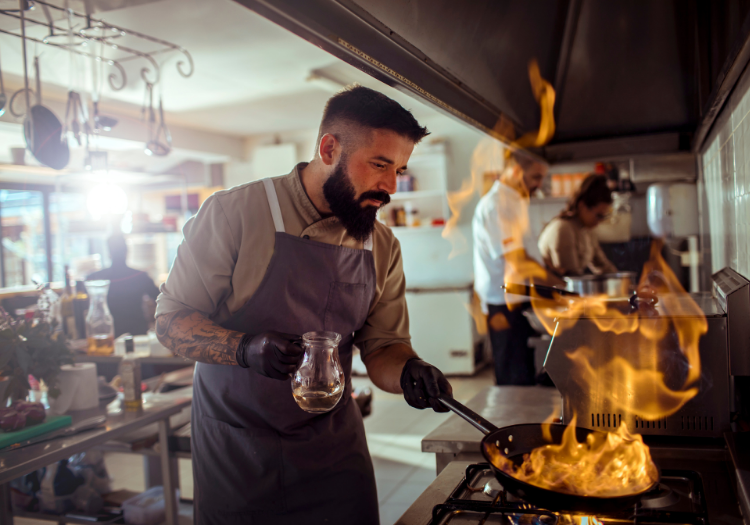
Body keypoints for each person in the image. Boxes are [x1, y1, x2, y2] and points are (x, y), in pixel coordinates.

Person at [154, 86, 453, 525]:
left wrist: (409, 369)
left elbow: (383, 346)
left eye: (400, 170)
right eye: (379, 165)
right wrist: (246, 348)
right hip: (240, 450)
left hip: (333, 451)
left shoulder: (381, 244)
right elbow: (171, 322)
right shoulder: (234, 214)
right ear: (329, 148)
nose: (391, 186)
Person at [473, 152, 562, 386]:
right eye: (535, 177)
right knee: (513, 381)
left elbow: (526, 249)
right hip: (504, 304)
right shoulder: (497, 206)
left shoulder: (515, 200)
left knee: (525, 371)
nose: (538, 184)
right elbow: (517, 261)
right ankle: (511, 423)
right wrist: (558, 284)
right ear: (514, 169)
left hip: (520, 297)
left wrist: (548, 269)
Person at [538, 173, 617, 277]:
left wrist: (622, 282)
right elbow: (570, 277)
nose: (600, 221)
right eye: (598, 215)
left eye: (604, 216)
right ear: (582, 206)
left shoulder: (587, 230)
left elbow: (603, 266)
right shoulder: (563, 229)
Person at [87, 234, 160, 338]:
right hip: (137, 334)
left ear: (109, 253)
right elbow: (161, 299)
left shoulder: (95, 277)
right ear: (127, 252)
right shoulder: (140, 276)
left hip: (107, 334)